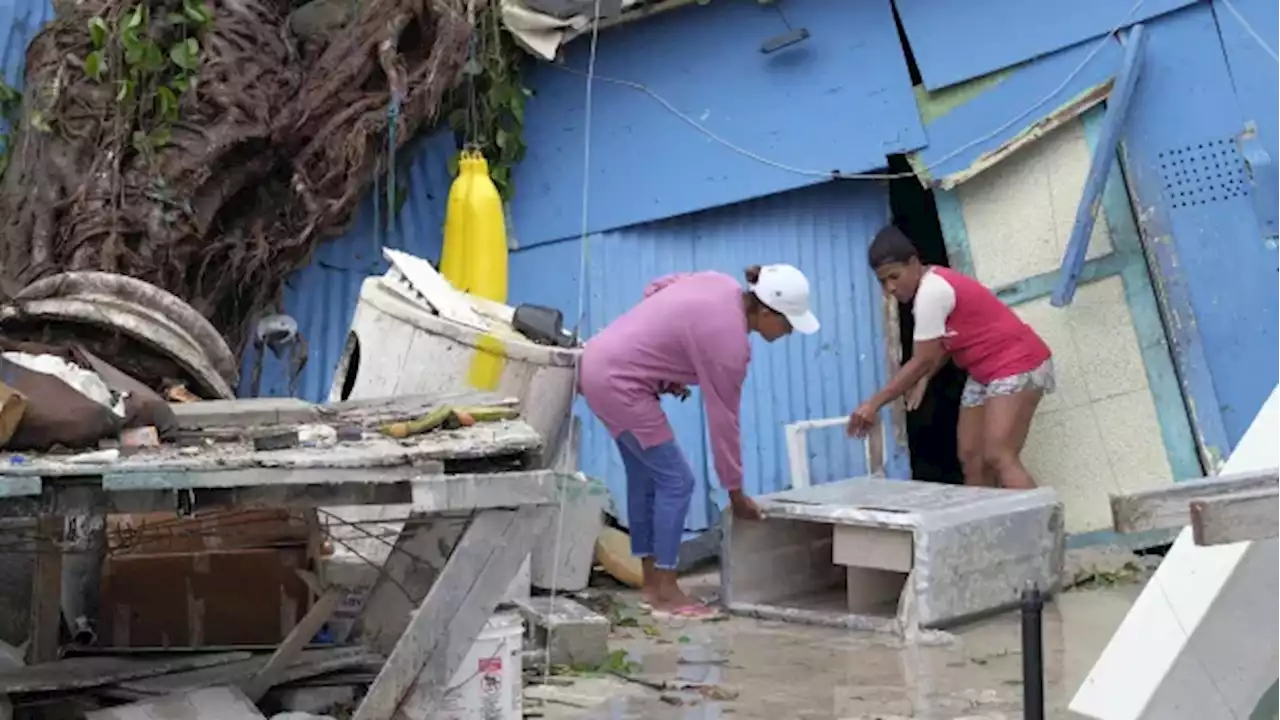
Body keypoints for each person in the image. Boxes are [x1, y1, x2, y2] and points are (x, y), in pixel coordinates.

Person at [578, 264, 820, 618]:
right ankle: (666, 591)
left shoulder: (718, 282)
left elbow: (656, 288)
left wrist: (663, 364)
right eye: (788, 324)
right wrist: (735, 493)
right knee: (677, 480)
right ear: (766, 311)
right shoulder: (730, 344)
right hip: (621, 384)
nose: (788, 333)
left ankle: (652, 586)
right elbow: (724, 421)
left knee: (646, 478)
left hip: (597, 363)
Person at [846, 226, 1054, 490]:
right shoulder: (927, 290)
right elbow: (939, 348)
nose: (890, 288)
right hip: (984, 372)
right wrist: (924, 376)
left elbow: (922, 359)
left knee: (999, 455)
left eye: (894, 277)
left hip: (1018, 364)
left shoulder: (931, 292)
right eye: (883, 281)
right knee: (971, 458)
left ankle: (1038, 530)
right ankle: (983, 526)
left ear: (914, 263)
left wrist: (873, 404)